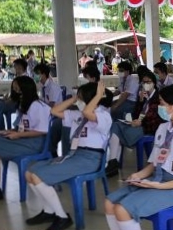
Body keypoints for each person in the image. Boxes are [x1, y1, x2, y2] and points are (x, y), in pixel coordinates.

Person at [103, 84, 173, 230]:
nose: (159, 106)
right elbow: (154, 163)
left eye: (162, 103)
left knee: (122, 209)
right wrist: (138, 175)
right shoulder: (163, 128)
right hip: (156, 180)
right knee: (109, 203)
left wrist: (159, 186)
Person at [24, 82, 113, 230]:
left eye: (82, 98)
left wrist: (97, 95)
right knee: (29, 172)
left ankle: (62, 217)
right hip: (74, 155)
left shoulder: (104, 116)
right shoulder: (77, 114)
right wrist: (73, 99)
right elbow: (54, 111)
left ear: (92, 99)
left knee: (38, 176)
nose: (79, 101)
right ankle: (49, 211)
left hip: (90, 159)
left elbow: (88, 113)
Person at [0, 76, 51, 205]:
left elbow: (43, 131)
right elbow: (22, 127)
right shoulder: (25, 105)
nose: (16, 91)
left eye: (18, 88)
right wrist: (10, 131)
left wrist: (18, 135)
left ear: (26, 89)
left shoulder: (38, 106)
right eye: (15, 88)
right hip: (24, 139)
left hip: (34, 143)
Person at [108, 72, 165, 177]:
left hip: (149, 127)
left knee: (118, 130)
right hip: (139, 123)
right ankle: (113, 161)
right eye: (143, 82)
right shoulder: (144, 95)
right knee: (116, 125)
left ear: (154, 83)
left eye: (148, 82)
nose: (146, 84)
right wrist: (140, 101)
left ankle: (113, 162)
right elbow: (136, 114)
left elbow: (155, 117)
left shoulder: (158, 97)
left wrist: (141, 122)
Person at [34, 63, 64, 157]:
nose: (36, 76)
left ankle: (51, 150)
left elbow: (51, 106)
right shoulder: (41, 86)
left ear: (43, 74)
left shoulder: (53, 87)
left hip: (55, 114)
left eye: (37, 73)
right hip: (46, 112)